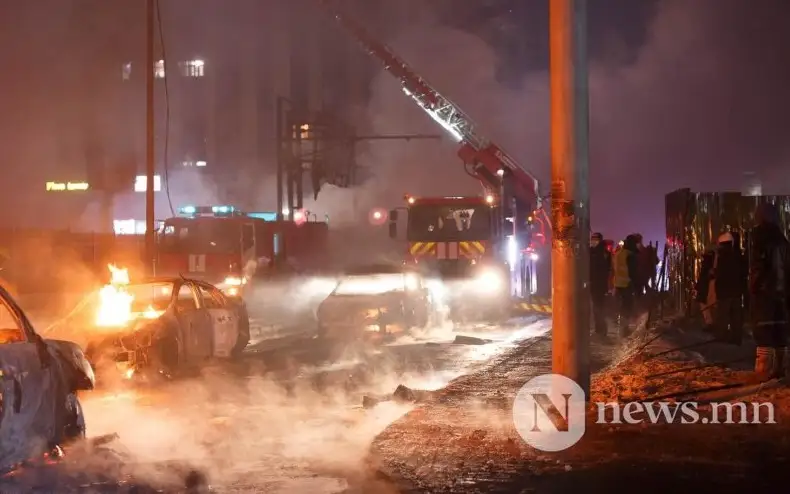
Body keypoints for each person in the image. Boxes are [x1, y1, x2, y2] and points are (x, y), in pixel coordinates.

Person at [749, 202, 790, 381]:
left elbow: (759, 265)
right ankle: (782, 368)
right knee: (779, 331)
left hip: (765, 292)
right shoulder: (783, 240)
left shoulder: (760, 237)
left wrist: (754, 285)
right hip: (782, 293)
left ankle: (764, 371)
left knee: (764, 330)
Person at [712, 232, 745, 344]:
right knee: (736, 316)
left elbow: (720, 274)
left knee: (723, 315)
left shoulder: (722, 257)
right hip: (736, 291)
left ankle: (722, 336)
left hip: (725, 292)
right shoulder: (738, 256)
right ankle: (736, 337)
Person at [612, 234, 639, 336]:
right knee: (627, 307)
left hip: (618, 283)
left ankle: (622, 327)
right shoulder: (630, 255)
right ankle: (625, 329)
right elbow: (633, 271)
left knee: (621, 306)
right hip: (627, 283)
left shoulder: (619, 253)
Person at [589, 232, 612, 336]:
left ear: (600, 240)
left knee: (598, 307)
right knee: (596, 307)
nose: (593, 241)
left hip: (599, 284)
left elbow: (605, 269)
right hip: (595, 284)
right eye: (592, 239)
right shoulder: (593, 251)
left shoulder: (603, 253)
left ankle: (601, 330)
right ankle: (599, 329)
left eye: (595, 239)